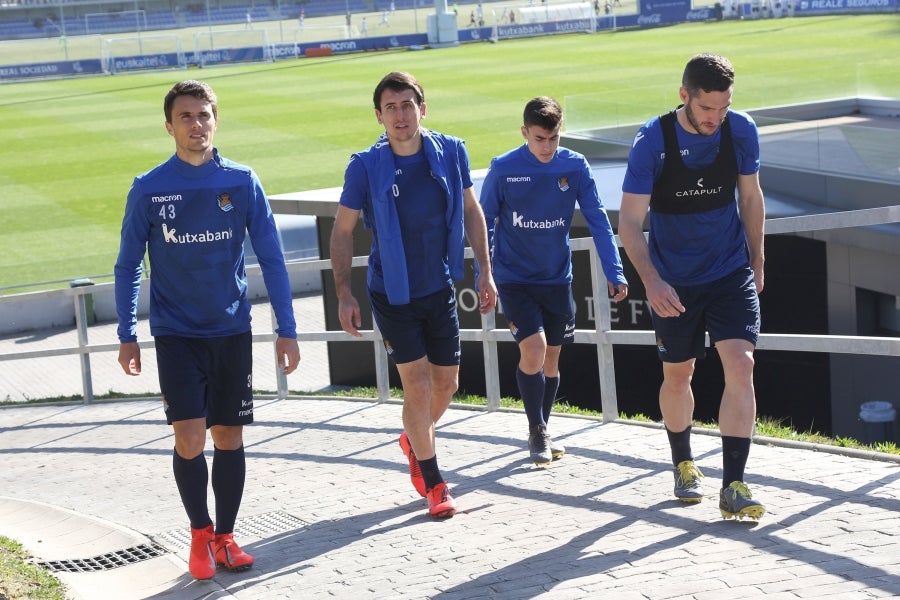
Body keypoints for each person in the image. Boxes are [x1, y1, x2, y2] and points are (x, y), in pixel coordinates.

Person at [114, 80, 301, 579]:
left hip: (231, 331)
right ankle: (199, 534)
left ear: (216, 120)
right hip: (176, 334)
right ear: (169, 125)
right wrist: (126, 331)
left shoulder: (242, 181)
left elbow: (272, 257)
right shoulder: (149, 186)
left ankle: (226, 536)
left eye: (204, 115)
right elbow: (129, 263)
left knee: (230, 435)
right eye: (186, 117)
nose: (196, 125)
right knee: (190, 437)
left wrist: (288, 327)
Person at [330, 71, 497, 519]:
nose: (400, 115)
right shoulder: (364, 166)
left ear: (422, 108)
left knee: (447, 384)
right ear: (379, 116)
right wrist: (344, 294)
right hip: (392, 292)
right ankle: (435, 482)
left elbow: (470, 209)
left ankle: (412, 436)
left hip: (438, 284)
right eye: (391, 108)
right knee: (418, 384)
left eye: (408, 105)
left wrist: (485, 269)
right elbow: (343, 230)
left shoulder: (451, 151)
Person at [618, 53, 766, 520]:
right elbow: (629, 222)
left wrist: (758, 260)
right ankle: (683, 463)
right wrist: (653, 280)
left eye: (724, 108)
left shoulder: (740, 130)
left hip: (728, 270)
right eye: (708, 110)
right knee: (677, 375)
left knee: (741, 364)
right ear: (685, 96)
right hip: (674, 282)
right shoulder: (652, 141)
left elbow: (750, 195)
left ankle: (734, 485)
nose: (716, 119)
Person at [480, 97, 628, 467]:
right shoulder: (503, 168)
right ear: (525, 133)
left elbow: (597, 219)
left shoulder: (574, 166)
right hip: (514, 279)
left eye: (554, 139)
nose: (547, 147)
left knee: (553, 357)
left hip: (557, 278)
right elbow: (483, 223)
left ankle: (541, 426)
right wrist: (486, 272)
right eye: (540, 138)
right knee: (535, 349)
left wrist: (615, 270)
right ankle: (537, 431)